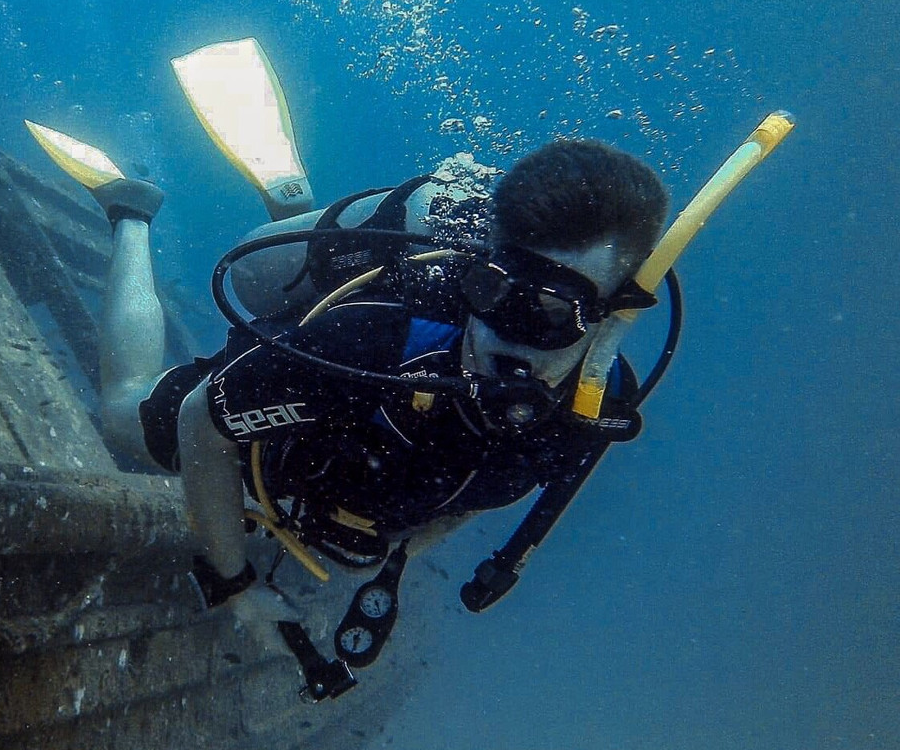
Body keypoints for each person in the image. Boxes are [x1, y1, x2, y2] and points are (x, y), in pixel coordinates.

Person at [94, 138, 669, 609]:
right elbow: (203, 420)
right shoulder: (375, 339)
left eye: (549, 315)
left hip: (340, 421)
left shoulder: (597, 404)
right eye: (490, 291)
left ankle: (308, 227)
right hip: (314, 375)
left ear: (610, 318)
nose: (501, 338)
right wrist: (232, 582)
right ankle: (131, 212)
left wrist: (399, 554)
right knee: (121, 413)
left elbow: (480, 489)